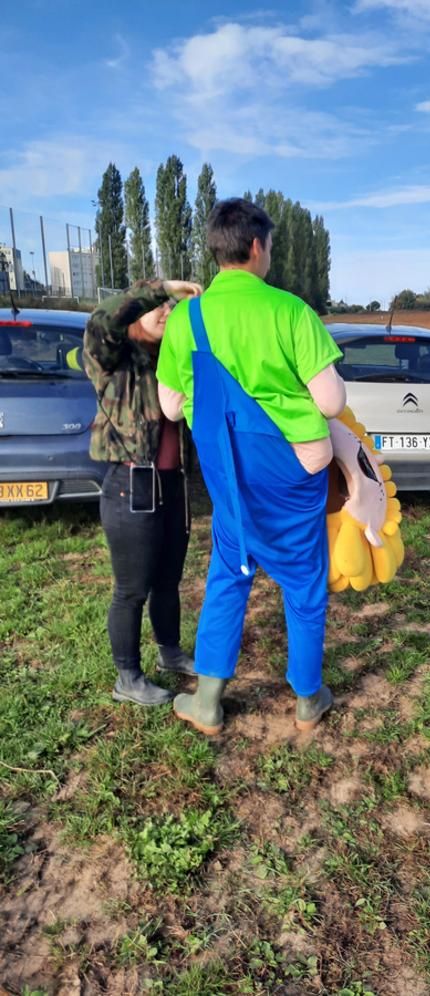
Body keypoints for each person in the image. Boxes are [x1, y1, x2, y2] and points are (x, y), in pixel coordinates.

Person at [156, 198, 347, 735]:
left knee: (228, 576)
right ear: (257, 246)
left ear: (218, 250)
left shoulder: (187, 320)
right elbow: (331, 402)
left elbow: (171, 407)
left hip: (227, 478)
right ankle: (308, 699)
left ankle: (209, 702)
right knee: (304, 582)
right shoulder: (290, 311)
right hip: (293, 473)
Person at [83, 278, 202, 705]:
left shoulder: (174, 359)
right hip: (130, 486)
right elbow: (103, 318)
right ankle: (127, 677)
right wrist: (163, 287)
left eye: (172, 308)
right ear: (138, 310)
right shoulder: (112, 355)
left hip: (173, 485)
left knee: (169, 580)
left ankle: (169, 651)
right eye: (159, 307)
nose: (167, 312)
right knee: (132, 588)